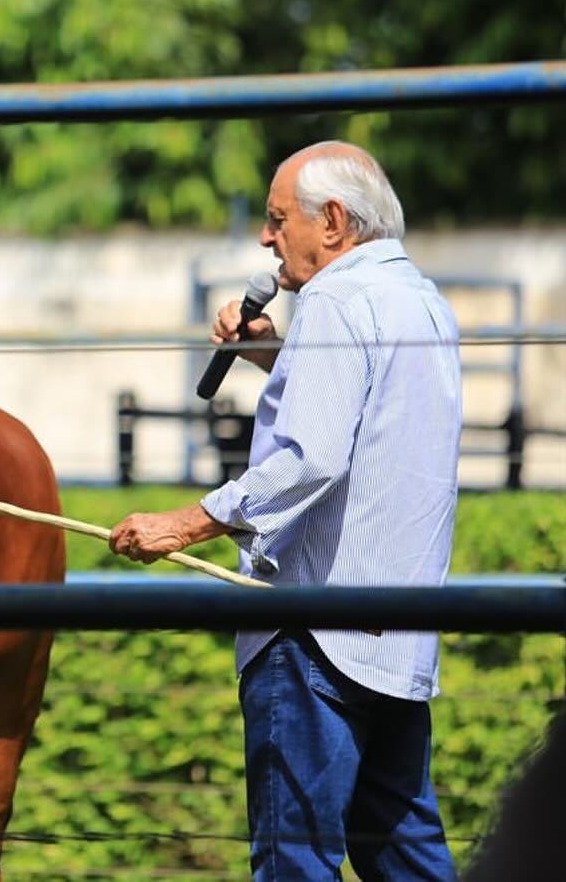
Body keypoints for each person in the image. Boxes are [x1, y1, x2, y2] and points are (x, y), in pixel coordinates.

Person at [110, 141, 461, 879]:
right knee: (407, 860)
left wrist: (187, 523)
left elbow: (312, 457)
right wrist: (275, 355)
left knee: (292, 864)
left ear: (332, 221)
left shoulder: (333, 297)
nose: (266, 238)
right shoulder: (421, 299)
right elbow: (370, 412)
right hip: (395, 637)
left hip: (312, 639)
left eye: (277, 220)